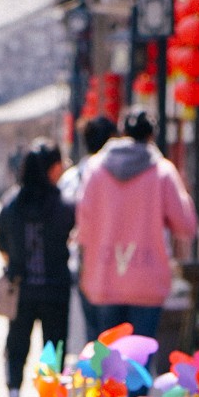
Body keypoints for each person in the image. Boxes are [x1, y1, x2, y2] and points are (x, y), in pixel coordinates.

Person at [74, 110, 197, 338]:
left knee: (107, 365)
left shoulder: (95, 169)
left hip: (104, 276)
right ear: (152, 136)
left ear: (122, 133)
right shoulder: (163, 171)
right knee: (139, 365)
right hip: (147, 280)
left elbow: (83, 228)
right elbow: (186, 226)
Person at [0, 140, 76, 397]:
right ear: (51, 169)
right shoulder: (64, 205)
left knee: (17, 346)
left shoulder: (13, 205)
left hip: (22, 289)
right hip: (55, 289)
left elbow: (2, 241)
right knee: (52, 353)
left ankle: (14, 394)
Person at [58, 115, 117, 342]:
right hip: (117, 262)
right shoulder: (122, 176)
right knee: (113, 337)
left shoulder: (72, 177)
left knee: (93, 336)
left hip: (84, 262)